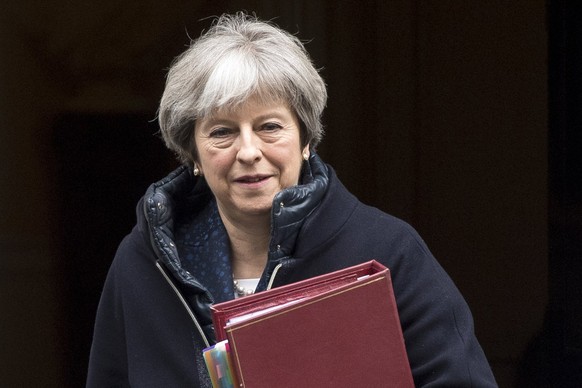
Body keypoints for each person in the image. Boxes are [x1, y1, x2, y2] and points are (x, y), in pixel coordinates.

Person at [87, 12, 497, 387]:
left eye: (269, 126)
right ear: (191, 153)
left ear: (306, 140)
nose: (248, 151)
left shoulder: (389, 252)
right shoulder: (142, 263)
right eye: (222, 132)